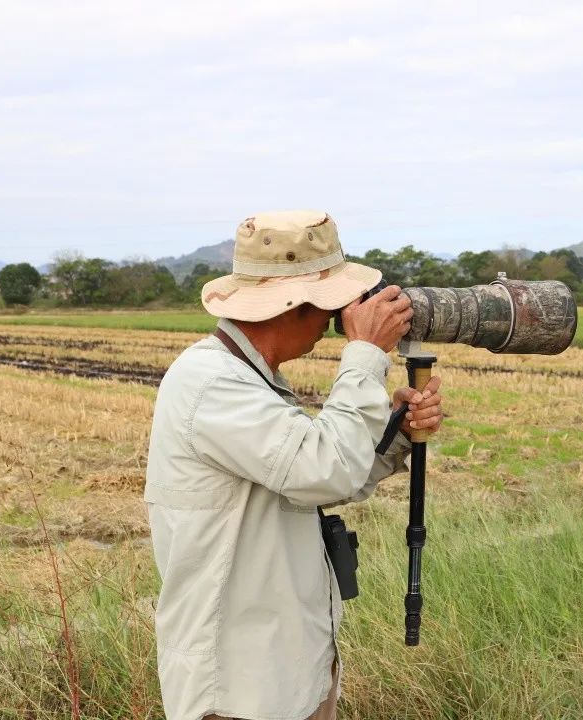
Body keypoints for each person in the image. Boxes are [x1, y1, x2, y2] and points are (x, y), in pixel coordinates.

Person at [144, 210, 445, 720]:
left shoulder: (249, 377)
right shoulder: (211, 383)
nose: (332, 326)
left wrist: (396, 433)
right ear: (292, 304)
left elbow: (315, 481)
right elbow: (322, 468)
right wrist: (366, 353)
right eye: (328, 310)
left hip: (288, 674)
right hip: (241, 692)